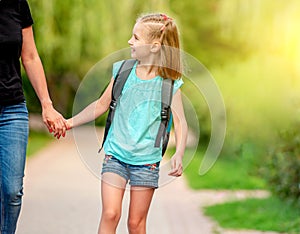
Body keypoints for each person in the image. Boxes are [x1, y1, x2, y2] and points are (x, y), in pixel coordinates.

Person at [66, 13, 188, 234]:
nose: (130, 41)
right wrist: (69, 123)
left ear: (154, 46)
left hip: (146, 161)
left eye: (136, 37)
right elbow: (100, 105)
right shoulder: (123, 71)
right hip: (116, 154)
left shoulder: (170, 84)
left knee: (135, 224)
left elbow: (180, 124)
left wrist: (178, 153)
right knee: (111, 214)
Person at [0, 0, 67, 233]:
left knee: (11, 190)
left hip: (11, 109)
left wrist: (47, 105)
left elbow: (29, 56)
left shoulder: (17, 3)